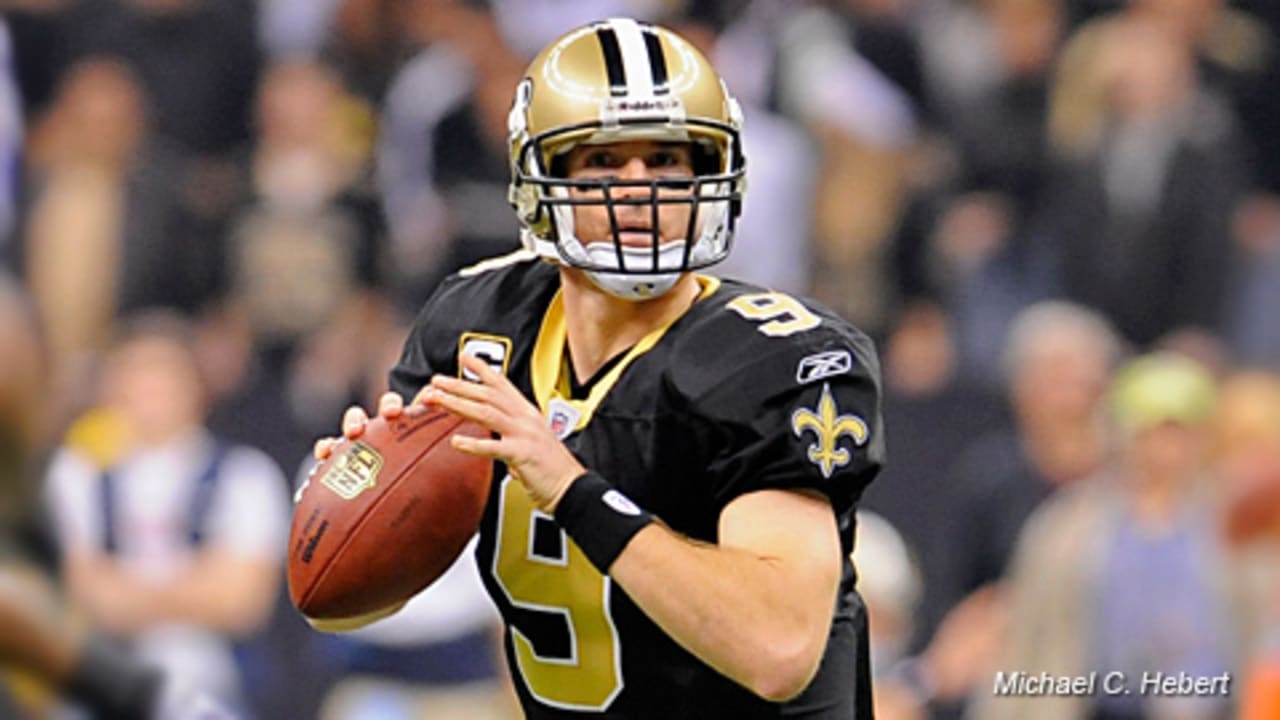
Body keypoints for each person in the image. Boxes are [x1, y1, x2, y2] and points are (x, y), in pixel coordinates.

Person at [312, 17, 885, 718]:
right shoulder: (477, 324)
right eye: (604, 162)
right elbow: (345, 605)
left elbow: (779, 649)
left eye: (668, 160)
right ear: (539, 177)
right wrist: (359, 495)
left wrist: (574, 490)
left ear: (711, 173)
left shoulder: (777, 358)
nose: (639, 186)